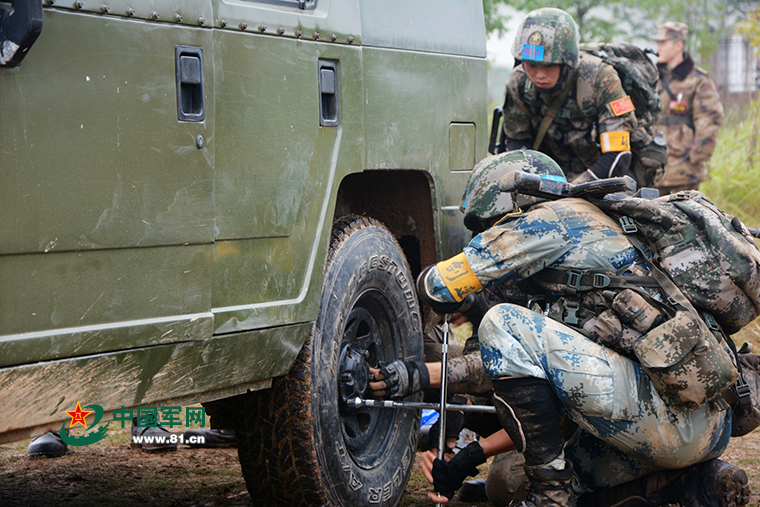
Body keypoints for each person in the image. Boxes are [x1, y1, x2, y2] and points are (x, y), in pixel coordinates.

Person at [413, 149, 749, 506]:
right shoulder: (599, 226)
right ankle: (691, 484)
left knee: (503, 324)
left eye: (486, 226)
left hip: (661, 416)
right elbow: (552, 394)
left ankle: (550, 495)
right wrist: (472, 456)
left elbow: (437, 287)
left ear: (507, 208)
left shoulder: (547, 220)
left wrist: (416, 371)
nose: (487, 234)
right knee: (508, 483)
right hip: (707, 424)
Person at [500, 8, 638, 184]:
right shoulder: (518, 82)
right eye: (532, 65)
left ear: (567, 63)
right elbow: (516, 142)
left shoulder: (601, 79)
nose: (539, 74)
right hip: (546, 178)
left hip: (599, 177)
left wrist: (574, 191)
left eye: (549, 66)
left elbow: (618, 155)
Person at [649, 21, 724, 194]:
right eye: (657, 42)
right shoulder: (652, 77)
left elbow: (710, 119)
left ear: (678, 46)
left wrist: (696, 156)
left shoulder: (698, 80)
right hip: (651, 166)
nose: (657, 47)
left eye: (663, 43)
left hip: (683, 169)